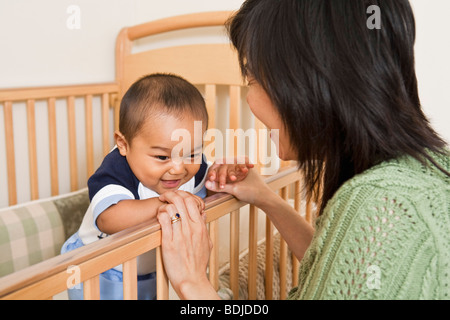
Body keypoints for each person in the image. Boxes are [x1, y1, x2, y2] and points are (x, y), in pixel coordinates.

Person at [156, 0, 450, 300]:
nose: (249, 99)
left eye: (252, 79)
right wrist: (267, 199)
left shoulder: (381, 205)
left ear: (305, 82)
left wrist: (192, 283)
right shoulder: (428, 175)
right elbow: (339, 273)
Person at [61, 73, 252, 300]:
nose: (178, 169)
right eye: (162, 157)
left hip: (150, 269)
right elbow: (108, 218)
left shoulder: (195, 166)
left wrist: (221, 178)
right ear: (123, 144)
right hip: (99, 267)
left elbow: (204, 194)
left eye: (192, 153)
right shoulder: (117, 169)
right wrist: (163, 205)